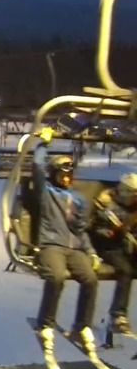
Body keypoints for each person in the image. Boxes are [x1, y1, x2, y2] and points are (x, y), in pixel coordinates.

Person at [32, 132, 100, 350]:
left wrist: (90, 252)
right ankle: (46, 324)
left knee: (91, 279)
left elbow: (80, 230)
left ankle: (82, 325)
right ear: (54, 174)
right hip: (51, 245)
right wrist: (44, 144)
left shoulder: (77, 199)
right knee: (57, 277)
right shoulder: (47, 192)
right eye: (63, 175)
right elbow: (37, 166)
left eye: (70, 175)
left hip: (74, 248)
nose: (67, 179)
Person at [90, 173, 137, 335]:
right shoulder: (106, 204)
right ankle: (118, 315)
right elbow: (95, 229)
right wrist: (113, 232)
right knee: (125, 270)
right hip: (109, 247)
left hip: (128, 246)